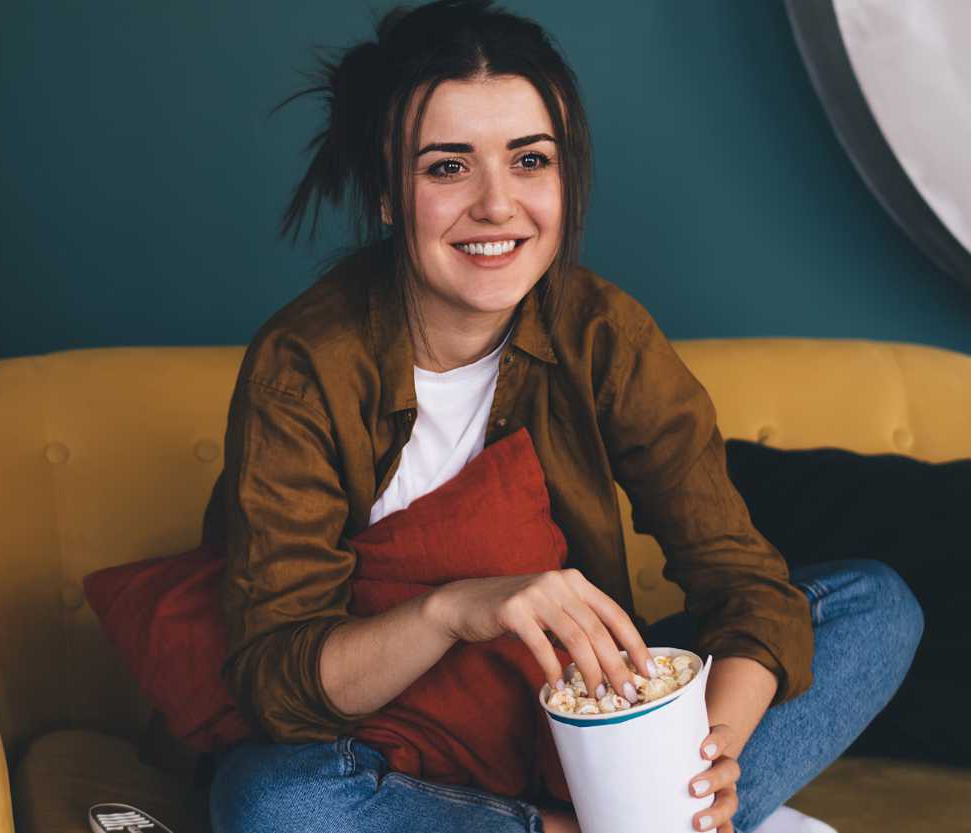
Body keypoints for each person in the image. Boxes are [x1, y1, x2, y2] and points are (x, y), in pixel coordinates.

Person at [202, 2, 924, 832]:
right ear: (386, 194)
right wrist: (456, 607)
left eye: (530, 160)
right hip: (389, 743)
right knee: (273, 804)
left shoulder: (602, 333)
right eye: (447, 167)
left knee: (876, 606)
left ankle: (661, 819)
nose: (498, 205)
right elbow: (276, 678)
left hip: (579, 726)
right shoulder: (304, 366)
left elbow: (742, 582)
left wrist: (707, 758)